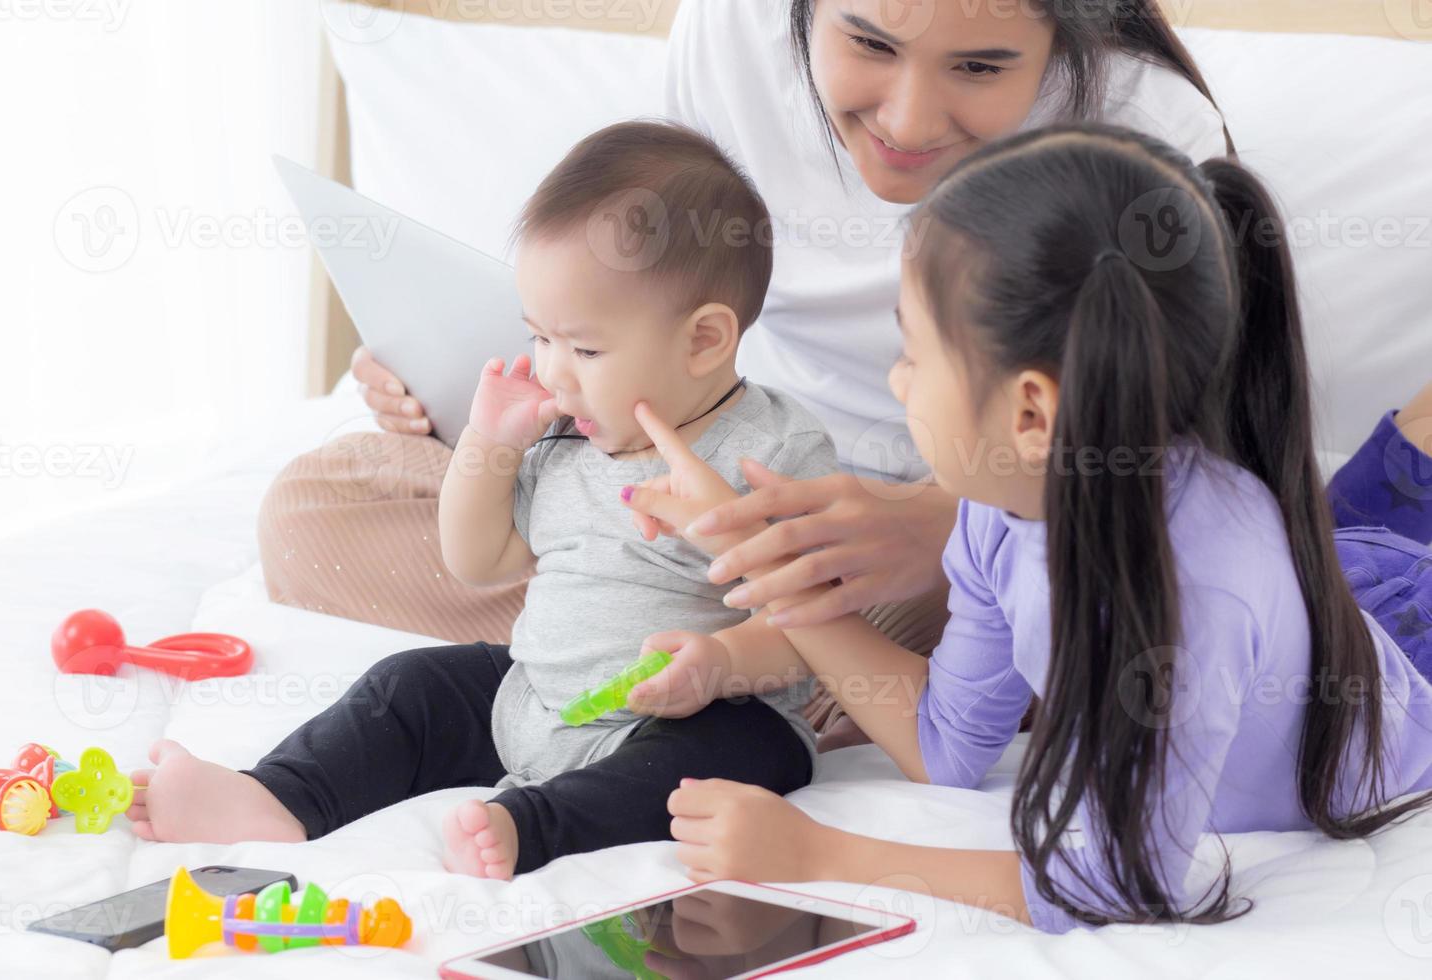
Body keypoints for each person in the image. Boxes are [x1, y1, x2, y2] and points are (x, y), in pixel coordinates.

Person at [260, 2, 1238, 712]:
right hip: (707, 474)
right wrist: (497, 402)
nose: (907, 119)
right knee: (314, 504)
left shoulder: (1144, 140)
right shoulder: (731, 31)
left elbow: (1157, 472)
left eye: (979, 68)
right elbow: (666, 293)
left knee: (1053, 599)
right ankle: (739, 663)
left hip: (960, 529)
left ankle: (729, 653)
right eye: (867, 43)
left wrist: (936, 520)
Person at [620, 123, 1432, 930]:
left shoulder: (1192, 603)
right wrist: (754, 560)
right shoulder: (1001, 506)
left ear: (1032, 412)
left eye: (913, 353)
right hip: (1334, 600)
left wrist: (820, 856)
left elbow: (1116, 886)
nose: (896, 383)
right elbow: (947, 746)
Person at [126, 122, 831, 878]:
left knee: (736, 756)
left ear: (703, 341)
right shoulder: (569, 439)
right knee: (413, 684)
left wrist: (723, 663)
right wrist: (489, 446)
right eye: (540, 338)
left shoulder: (776, 455)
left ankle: (535, 825)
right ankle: (277, 795)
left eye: (584, 349)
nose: (554, 372)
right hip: (533, 696)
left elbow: (811, 624)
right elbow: (476, 561)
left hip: (689, 719)